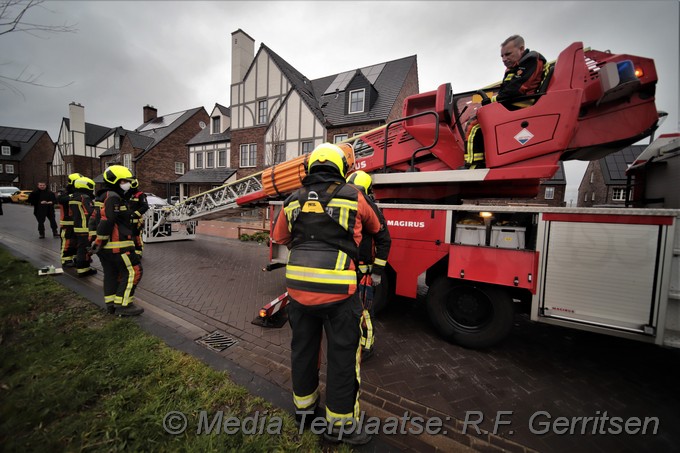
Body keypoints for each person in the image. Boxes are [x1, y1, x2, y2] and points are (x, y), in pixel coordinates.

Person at [272, 143, 381, 446]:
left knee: (303, 351)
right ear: (343, 169)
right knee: (343, 357)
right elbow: (376, 225)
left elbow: (278, 236)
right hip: (339, 295)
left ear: (308, 169)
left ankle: (305, 412)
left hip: (297, 292)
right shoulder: (353, 196)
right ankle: (340, 426)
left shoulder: (292, 200)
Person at [465, 35, 547, 169]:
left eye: (508, 54)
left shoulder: (530, 61)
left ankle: (474, 166)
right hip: (516, 103)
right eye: (502, 56)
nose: (504, 59)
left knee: (474, 126)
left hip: (522, 104)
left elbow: (515, 90)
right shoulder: (515, 67)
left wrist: (491, 100)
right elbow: (507, 90)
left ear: (521, 49)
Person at [345, 170, 391, 361]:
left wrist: (377, 272)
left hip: (364, 272)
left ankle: (367, 346)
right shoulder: (347, 205)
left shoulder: (371, 209)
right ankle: (353, 341)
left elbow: (384, 240)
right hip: (348, 270)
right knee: (351, 310)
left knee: (364, 311)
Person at [90, 165, 144, 316]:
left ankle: (111, 305)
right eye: (124, 181)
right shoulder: (113, 197)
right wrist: (99, 240)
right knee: (134, 271)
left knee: (111, 274)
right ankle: (124, 305)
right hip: (118, 245)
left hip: (107, 248)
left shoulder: (102, 196)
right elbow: (108, 220)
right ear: (114, 180)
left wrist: (94, 240)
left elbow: (93, 220)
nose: (126, 183)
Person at [70, 177, 98, 277]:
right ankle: (83, 269)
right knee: (84, 248)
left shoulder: (73, 196)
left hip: (77, 226)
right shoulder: (84, 197)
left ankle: (81, 265)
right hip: (85, 227)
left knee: (80, 247)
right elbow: (91, 212)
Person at [57, 173, 84, 265]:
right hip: (67, 222)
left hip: (77, 222)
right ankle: (66, 259)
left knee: (76, 242)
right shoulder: (65, 193)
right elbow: (61, 199)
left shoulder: (79, 193)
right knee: (67, 241)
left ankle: (76, 257)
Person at [125, 179, 149, 258]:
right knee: (128, 237)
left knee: (137, 237)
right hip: (127, 221)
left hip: (137, 221)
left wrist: (135, 214)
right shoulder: (127, 194)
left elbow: (145, 206)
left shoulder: (140, 195)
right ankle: (130, 251)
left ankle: (138, 252)